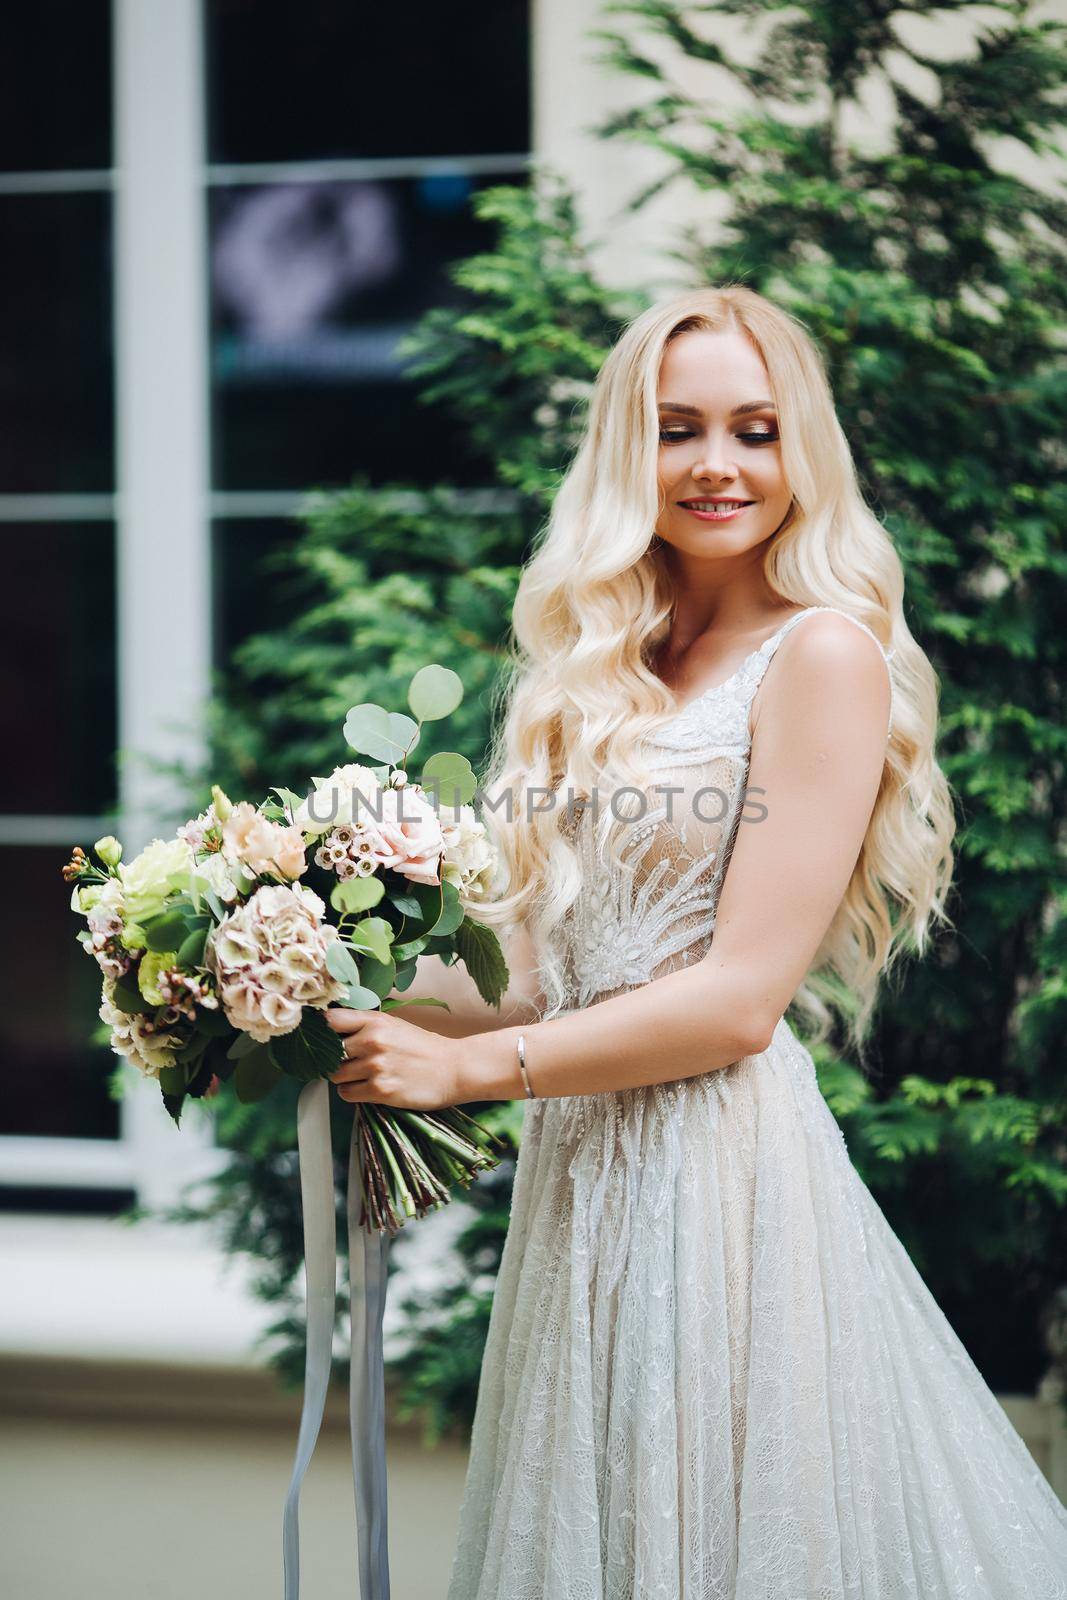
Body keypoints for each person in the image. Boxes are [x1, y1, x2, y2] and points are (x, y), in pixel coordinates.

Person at [325, 287, 1067, 1597]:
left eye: (755, 429)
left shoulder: (822, 656)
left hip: (719, 1174)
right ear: (629, 451)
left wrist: (462, 1077)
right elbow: (543, 970)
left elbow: (736, 1002)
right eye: (678, 430)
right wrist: (293, 961)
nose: (717, 465)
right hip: (583, 1176)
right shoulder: (596, 666)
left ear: (802, 454)